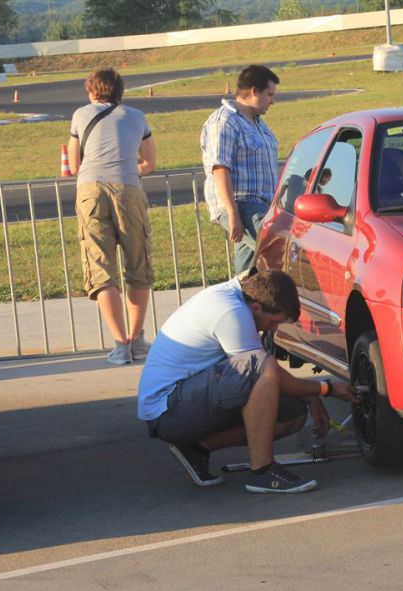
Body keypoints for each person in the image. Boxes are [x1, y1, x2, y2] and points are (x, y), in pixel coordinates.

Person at [136, 268, 358, 494]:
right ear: (256, 307)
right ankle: (262, 471)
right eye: (274, 322)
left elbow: (268, 379)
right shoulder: (231, 311)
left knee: (292, 414)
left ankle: (196, 449)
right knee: (263, 364)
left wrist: (311, 398)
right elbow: (264, 371)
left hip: (181, 401)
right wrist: (326, 388)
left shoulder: (240, 298)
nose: (273, 329)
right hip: (168, 413)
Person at [68, 68, 157, 365]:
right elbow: (150, 162)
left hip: (90, 190)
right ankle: (137, 339)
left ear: (92, 92)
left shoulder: (81, 115)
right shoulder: (137, 116)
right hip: (128, 188)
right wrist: (130, 169)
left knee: (100, 268)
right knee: (137, 265)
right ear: (120, 92)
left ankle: (120, 346)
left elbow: (74, 163)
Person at [201, 64, 280, 276]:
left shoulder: (258, 124)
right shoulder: (225, 121)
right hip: (242, 204)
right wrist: (233, 212)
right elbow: (220, 168)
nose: (272, 101)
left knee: (248, 272)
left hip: (261, 206)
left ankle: (244, 302)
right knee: (278, 251)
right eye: (269, 94)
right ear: (253, 91)